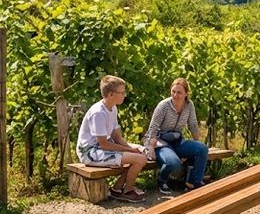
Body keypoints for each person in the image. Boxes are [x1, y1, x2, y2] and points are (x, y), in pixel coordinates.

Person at [76, 75, 147, 203]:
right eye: (121, 92)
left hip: (102, 147)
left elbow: (116, 136)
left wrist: (131, 149)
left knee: (141, 153)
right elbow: (104, 144)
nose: (124, 95)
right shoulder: (98, 113)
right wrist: (129, 150)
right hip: (90, 152)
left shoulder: (112, 108)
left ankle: (117, 189)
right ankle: (127, 191)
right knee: (139, 159)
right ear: (110, 94)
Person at [144, 78, 210, 195]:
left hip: (176, 140)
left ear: (186, 93)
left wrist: (197, 144)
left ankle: (194, 182)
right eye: (173, 91)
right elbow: (153, 128)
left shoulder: (189, 105)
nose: (175, 95)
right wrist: (151, 148)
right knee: (173, 163)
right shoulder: (163, 106)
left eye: (179, 92)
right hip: (160, 141)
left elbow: (193, 125)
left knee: (202, 148)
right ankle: (161, 180)